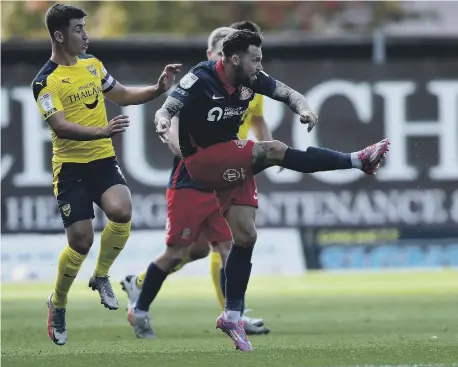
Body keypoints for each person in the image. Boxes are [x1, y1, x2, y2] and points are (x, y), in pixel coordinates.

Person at [150, 30, 391, 351]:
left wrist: (304, 108)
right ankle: (358, 160)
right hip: (203, 160)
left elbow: (288, 94)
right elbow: (168, 106)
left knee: (246, 236)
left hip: (230, 155)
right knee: (274, 149)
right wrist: (163, 120)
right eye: (256, 58)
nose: (260, 64)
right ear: (235, 59)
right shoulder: (201, 76)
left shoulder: (252, 78)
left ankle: (232, 315)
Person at [32, 3, 180, 346]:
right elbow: (61, 126)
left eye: (85, 27)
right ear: (59, 35)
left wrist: (158, 88)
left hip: (101, 160)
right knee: (80, 241)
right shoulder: (44, 81)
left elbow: (123, 95)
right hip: (69, 168)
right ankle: (59, 302)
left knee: (122, 209)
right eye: (79, 29)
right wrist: (102, 130)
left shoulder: (93, 66)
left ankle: (101, 276)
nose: (87, 35)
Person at [121, 26, 270, 339]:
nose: (229, 63)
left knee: (227, 247)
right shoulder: (197, 85)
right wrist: (196, 156)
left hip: (224, 181)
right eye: (222, 55)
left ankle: (234, 315)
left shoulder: (243, 88)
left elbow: (256, 120)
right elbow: (174, 131)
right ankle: (140, 304)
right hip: (191, 179)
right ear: (213, 56)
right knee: (179, 251)